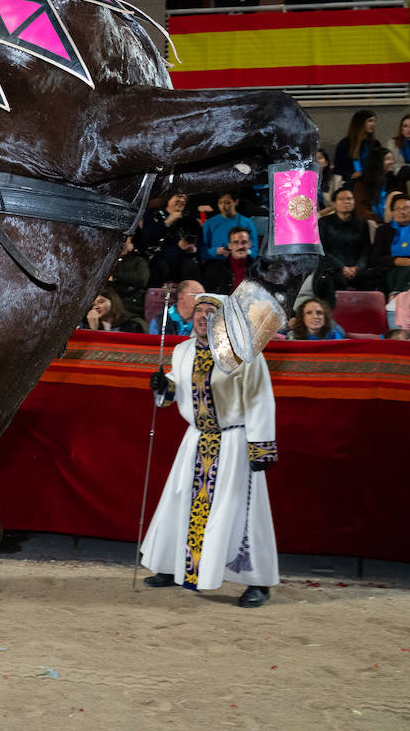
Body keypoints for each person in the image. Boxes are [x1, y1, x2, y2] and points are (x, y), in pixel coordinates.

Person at [140, 293, 278, 607]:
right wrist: (165, 386)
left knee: (241, 511)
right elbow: (179, 382)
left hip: (234, 442)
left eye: (210, 311)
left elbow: (259, 397)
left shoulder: (245, 354)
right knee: (179, 502)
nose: (203, 316)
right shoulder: (182, 350)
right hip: (196, 440)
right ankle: (170, 566)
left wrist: (261, 447)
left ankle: (257, 583)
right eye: (199, 311)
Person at [316, 186, 375, 294]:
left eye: (349, 198)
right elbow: (322, 250)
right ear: (333, 203)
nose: (346, 202)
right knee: (334, 280)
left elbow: (365, 249)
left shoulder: (362, 223)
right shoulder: (324, 223)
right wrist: (341, 268)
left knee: (372, 279)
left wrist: (358, 267)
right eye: (341, 199)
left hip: (356, 269)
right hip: (333, 268)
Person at [140, 193, 202, 287]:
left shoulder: (190, 220)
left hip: (183, 258)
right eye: (179, 196)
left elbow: (200, 242)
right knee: (160, 267)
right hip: (160, 257)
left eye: (185, 197)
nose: (182, 200)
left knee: (191, 265)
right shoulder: (154, 215)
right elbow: (146, 237)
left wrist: (194, 249)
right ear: (168, 198)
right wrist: (167, 222)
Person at [199, 191, 260, 261]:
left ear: (236, 202)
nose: (223, 207)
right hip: (217, 263)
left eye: (227, 203)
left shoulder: (247, 223)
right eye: (220, 203)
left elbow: (254, 251)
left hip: (242, 262)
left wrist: (242, 251)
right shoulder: (209, 223)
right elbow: (203, 251)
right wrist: (215, 251)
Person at [201, 226, 254, 294]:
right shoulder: (214, 269)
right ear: (229, 246)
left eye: (243, 242)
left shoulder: (258, 269)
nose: (240, 246)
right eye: (236, 242)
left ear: (249, 244)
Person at [333, 110, 379, 180]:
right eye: (370, 121)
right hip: (349, 181)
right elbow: (338, 169)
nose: (373, 124)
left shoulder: (375, 144)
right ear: (360, 123)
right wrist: (350, 175)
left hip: (370, 181)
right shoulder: (345, 144)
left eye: (374, 121)